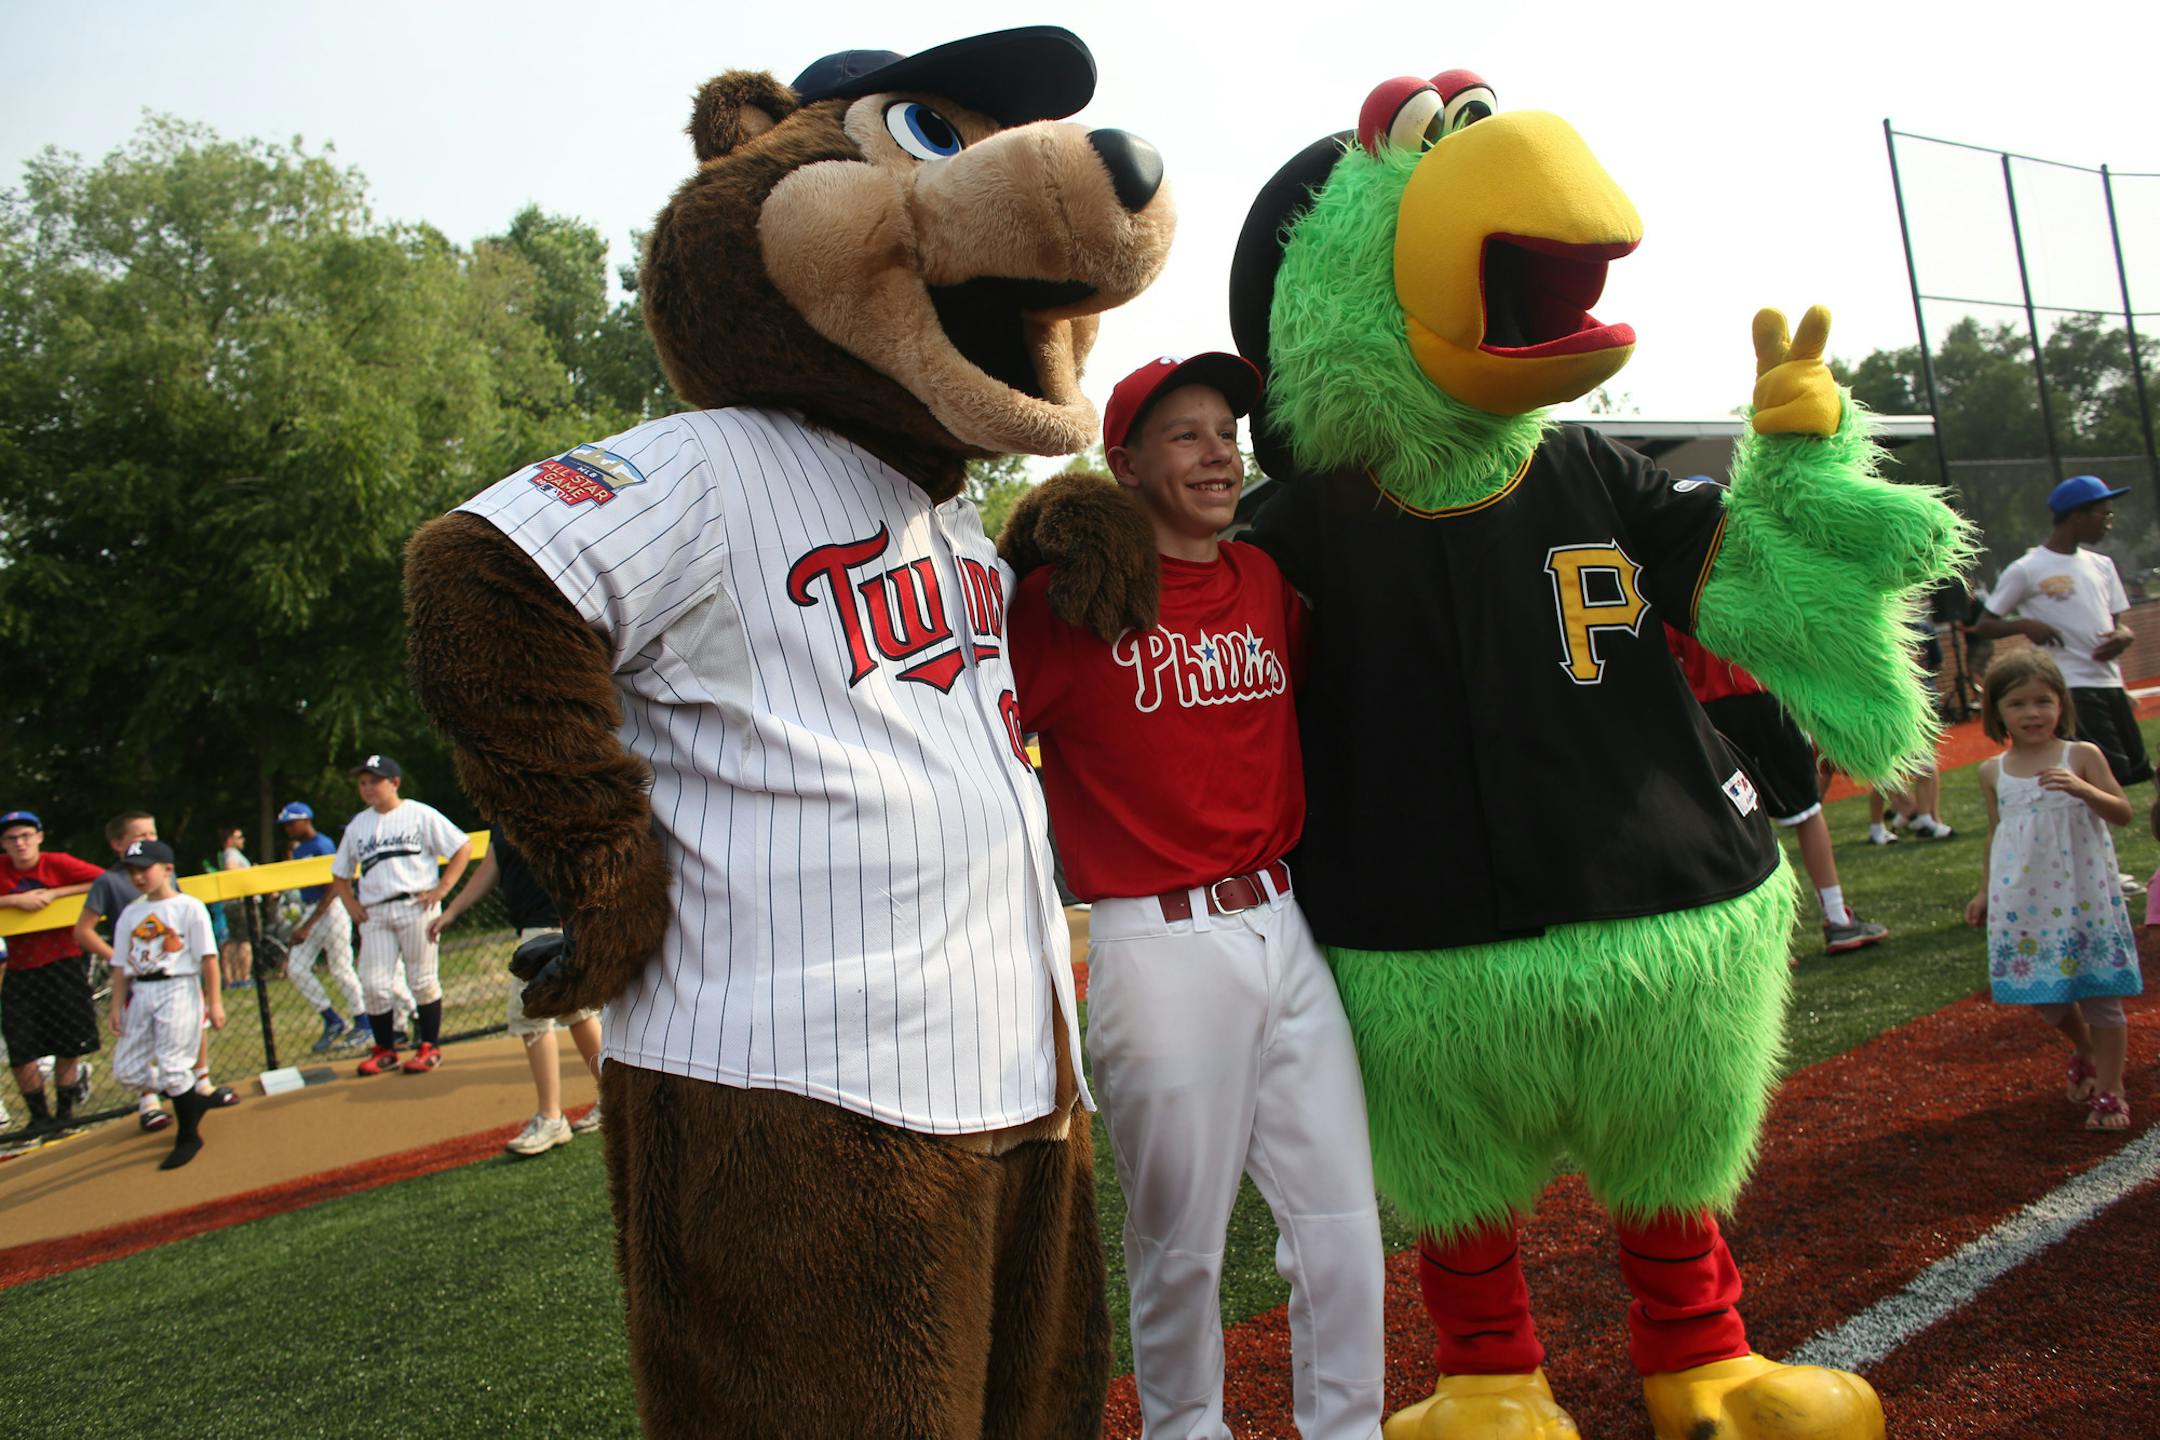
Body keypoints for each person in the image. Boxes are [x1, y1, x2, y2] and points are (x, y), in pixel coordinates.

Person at [1007, 353, 1386, 1440]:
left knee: (1341, 1226)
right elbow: (975, 740)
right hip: (1159, 945)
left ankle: (1348, 1428)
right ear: (1123, 465)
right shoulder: (1060, 607)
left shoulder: (1264, 581)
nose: (1218, 451)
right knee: (1181, 1248)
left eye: (1226, 430)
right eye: (1185, 434)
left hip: (1286, 927)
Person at [1964, 650, 2142, 1131]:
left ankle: (2111, 1090)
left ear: (2062, 704)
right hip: (2025, 901)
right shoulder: (1992, 771)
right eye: (2018, 703)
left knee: (2101, 993)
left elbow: (2123, 812)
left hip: (2084, 895)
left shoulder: (2081, 755)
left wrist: (2085, 790)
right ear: (1996, 711)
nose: (2033, 713)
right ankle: (2085, 1048)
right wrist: (1984, 892)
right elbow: (1996, 832)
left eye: (2044, 701)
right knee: (2047, 999)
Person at [1666, 629, 1890, 955]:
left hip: (1710, 711)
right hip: (1767, 695)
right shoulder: (1752, 577)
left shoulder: (1676, 582)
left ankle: (1764, 941)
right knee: (1807, 812)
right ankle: (1837, 918)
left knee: (1740, 825)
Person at [1968, 474, 2152, 791]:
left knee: (2137, 772)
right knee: (2108, 777)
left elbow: (2117, 623)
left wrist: (2124, 635)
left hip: (2109, 681)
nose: (2110, 521)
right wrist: (2025, 624)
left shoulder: (2103, 565)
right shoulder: (2027, 568)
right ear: (2077, 514)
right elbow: (1985, 624)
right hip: (2071, 685)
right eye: (2104, 513)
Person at [427, 834, 602, 1156]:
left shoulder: (539, 796)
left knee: (530, 1014)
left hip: (552, 921)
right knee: (576, 1012)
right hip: (540, 924)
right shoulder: (504, 811)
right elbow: (490, 867)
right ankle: (616, 1097)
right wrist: (453, 911)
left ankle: (551, 1117)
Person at [329, 755, 472, 1077]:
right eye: (363, 782)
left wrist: (442, 888)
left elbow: (461, 846)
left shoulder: (418, 814)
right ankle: (385, 1049)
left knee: (421, 980)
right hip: (376, 912)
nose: (367, 788)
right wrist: (350, 903)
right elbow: (340, 873)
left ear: (394, 783)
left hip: (416, 905)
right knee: (374, 985)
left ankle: (429, 1046)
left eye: (374, 781)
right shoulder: (358, 825)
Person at [107, 839, 225, 1169]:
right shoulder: (131, 913)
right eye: (132, 871)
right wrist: (116, 1005)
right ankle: (190, 1098)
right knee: (127, 1072)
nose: (138, 877)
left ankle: (189, 1134)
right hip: (141, 992)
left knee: (174, 1067)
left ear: (167, 869)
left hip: (178, 987)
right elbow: (120, 965)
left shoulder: (188, 907)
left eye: (144, 869)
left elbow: (208, 958)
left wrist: (214, 1003)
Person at [71, 810, 177, 1132]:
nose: (148, 841)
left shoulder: (165, 874)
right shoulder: (112, 882)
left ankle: (199, 1084)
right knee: (141, 1037)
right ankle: (149, 1101)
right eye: (140, 835)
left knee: (179, 1030)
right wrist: (121, 960)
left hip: (172, 971)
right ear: (118, 844)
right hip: (137, 978)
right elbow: (83, 931)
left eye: (152, 834)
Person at [1, 809, 105, 1133]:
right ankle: (39, 1118)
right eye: (11, 838)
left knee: (69, 1041)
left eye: (26, 836)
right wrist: (13, 901)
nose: (20, 844)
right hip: (18, 969)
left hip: (62, 963)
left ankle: (65, 1114)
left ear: (39, 837)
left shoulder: (56, 863)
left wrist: (56, 893)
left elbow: (104, 878)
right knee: (21, 1048)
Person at [276, 801, 378, 1052]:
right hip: (312, 910)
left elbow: (334, 886)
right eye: (285, 824)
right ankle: (332, 1019)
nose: (287, 828)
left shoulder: (322, 845)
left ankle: (363, 1022)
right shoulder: (299, 850)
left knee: (341, 968)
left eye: (291, 823)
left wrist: (308, 924)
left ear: (305, 820)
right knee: (297, 968)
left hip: (330, 910)